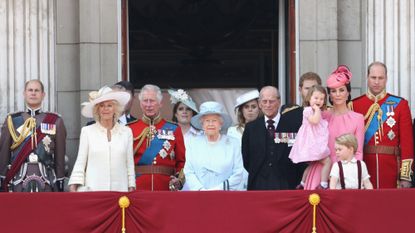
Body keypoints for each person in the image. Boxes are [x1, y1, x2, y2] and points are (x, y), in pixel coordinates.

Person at [350, 61, 414, 189]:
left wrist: (405, 175)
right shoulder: (354, 105)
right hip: (364, 168)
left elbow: (407, 143)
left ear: (386, 79)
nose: (377, 82)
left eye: (381, 78)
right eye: (373, 77)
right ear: (367, 78)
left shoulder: (400, 105)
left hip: (392, 169)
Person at [304, 65, 365, 189]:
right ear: (329, 95)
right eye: (333, 91)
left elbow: (358, 153)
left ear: (348, 93)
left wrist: (353, 174)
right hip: (321, 171)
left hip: (346, 174)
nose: (338, 94)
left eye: (341, 90)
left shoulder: (358, 118)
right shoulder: (321, 116)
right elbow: (309, 140)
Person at [0, 80, 66, 192]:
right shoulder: (12, 120)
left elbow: (60, 156)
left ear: (43, 94)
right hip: (17, 180)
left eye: (37, 90)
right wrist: (2, 178)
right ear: (24, 93)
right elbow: (3, 153)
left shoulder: (55, 121)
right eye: (30, 90)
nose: (33, 93)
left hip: (46, 179)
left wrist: (59, 180)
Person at [68, 86, 135, 192]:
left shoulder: (126, 132)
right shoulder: (87, 131)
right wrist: (74, 185)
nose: (105, 109)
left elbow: (129, 163)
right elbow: (81, 161)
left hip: (120, 192)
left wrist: (131, 186)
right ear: (97, 110)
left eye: (109, 105)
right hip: (94, 191)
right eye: (102, 106)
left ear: (115, 109)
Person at [242, 86, 305, 190]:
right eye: (264, 101)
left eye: (271, 101)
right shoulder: (251, 128)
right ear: (259, 103)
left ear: (279, 102)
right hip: (258, 185)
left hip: (287, 184)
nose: (268, 105)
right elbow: (247, 159)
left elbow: (299, 156)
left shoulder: (293, 126)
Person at [128, 84, 186, 191]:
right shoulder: (130, 129)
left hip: (165, 187)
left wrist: (178, 180)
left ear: (160, 103)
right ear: (140, 104)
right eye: (145, 101)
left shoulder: (174, 129)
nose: (148, 105)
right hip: (138, 186)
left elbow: (181, 162)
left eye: (152, 101)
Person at [184, 101, 244, 190]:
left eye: (214, 120)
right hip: (199, 195)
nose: (210, 124)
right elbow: (189, 171)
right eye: (207, 121)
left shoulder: (233, 143)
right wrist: (200, 190)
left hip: (225, 195)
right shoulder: (193, 143)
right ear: (202, 124)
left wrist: (218, 189)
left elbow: (238, 172)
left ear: (221, 124)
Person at [289, 85, 331, 190]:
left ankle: (302, 183)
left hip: (315, 142)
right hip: (312, 144)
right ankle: (323, 183)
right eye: (316, 98)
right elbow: (315, 120)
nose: (319, 101)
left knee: (312, 165)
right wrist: (317, 109)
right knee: (327, 161)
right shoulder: (307, 110)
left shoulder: (317, 111)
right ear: (309, 98)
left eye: (321, 99)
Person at [227, 90, 260, 190]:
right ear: (241, 110)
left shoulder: (265, 130)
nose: (250, 110)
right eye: (246, 107)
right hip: (237, 178)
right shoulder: (232, 131)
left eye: (253, 107)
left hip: (258, 178)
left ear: (259, 109)